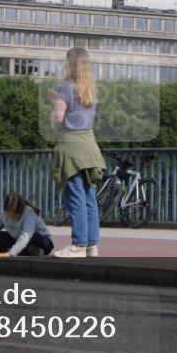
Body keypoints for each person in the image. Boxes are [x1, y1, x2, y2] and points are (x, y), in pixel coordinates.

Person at [49, 47, 105, 258]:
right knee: (89, 195)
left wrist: (55, 101)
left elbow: (58, 117)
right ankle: (91, 244)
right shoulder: (91, 89)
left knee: (75, 196)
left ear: (70, 64)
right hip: (89, 145)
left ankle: (78, 244)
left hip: (71, 146)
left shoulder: (66, 87)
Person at [0, 192, 55, 257]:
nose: (10, 217)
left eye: (13, 215)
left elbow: (25, 236)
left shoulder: (28, 213)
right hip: (18, 240)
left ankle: (27, 250)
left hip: (40, 241)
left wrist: (11, 253)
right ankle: (27, 251)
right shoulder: (4, 215)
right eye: (8, 213)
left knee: (35, 237)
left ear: (20, 211)